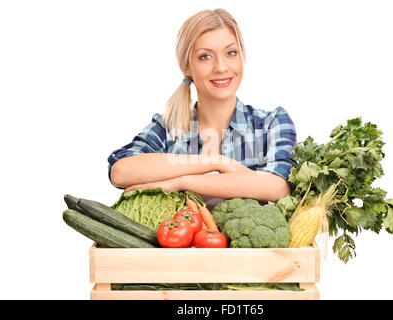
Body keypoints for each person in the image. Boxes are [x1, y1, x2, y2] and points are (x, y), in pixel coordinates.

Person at [108, 8, 296, 203]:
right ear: (187, 67)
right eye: (205, 56)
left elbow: (279, 186)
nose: (221, 67)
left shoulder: (271, 123)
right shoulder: (169, 128)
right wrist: (214, 162)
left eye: (231, 52)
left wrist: (181, 184)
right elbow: (120, 172)